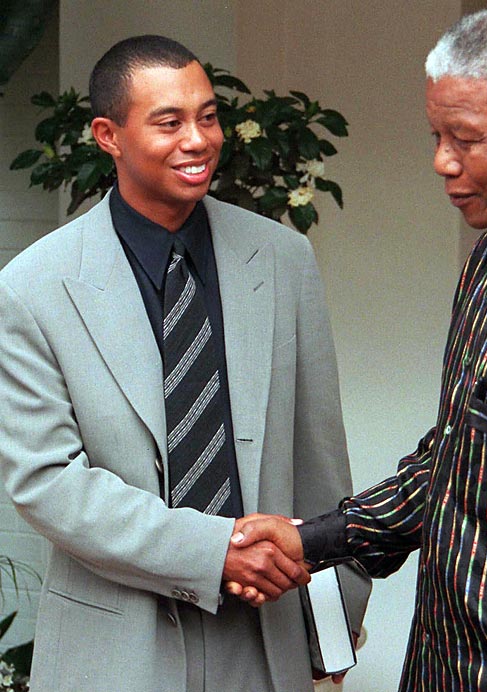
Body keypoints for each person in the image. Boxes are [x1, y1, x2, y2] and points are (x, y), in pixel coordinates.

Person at [231, 7, 487, 691]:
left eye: (466, 138)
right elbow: (456, 460)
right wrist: (313, 538)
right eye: (436, 136)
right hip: (441, 663)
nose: (442, 162)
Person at [0, 35, 369, 692]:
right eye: (168, 122)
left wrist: (332, 630)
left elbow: (319, 462)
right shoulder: (32, 287)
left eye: (208, 116)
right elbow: (48, 482)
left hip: (264, 639)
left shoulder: (283, 259)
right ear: (108, 136)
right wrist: (214, 551)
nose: (197, 140)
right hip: (113, 649)